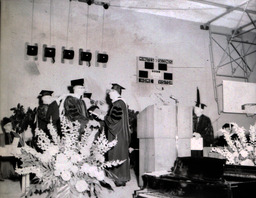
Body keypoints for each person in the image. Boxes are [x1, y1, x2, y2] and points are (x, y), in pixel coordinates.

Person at [97, 83, 131, 187]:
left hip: (117, 134)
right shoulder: (121, 103)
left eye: (110, 92)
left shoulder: (118, 104)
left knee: (118, 154)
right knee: (120, 154)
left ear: (115, 92)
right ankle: (120, 178)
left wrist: (104, 118)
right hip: (121, 134)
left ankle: (119, 179)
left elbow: (114, 120)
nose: (108, 95)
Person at [192, 88, 214, 156]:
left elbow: (210, 134)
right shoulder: (191, 118)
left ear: (201, 110)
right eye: (195, 107)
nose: (195, 109)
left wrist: (200, 135)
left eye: (197, 108)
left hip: (203, 145)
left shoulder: (206, 120)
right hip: (192, 145)